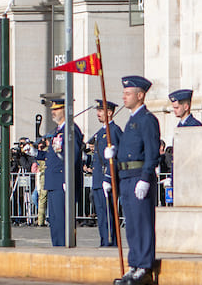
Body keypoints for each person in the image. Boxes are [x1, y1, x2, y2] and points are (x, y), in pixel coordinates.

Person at [113, 75, 161, 285]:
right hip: (126, 177)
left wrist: (145, 178)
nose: (124, 96)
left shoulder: (147, 120)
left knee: (142, 223)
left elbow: (152, 152)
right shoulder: (132, 119)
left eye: (128, 93)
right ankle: (134, 264)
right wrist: (114, 153)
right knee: (131, 224)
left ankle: (144, 266)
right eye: (124, 93)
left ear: (140, 96)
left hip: (138, 177)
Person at [41, 98, 83, 247]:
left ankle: (64, 248)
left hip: (62, 181)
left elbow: (73, 155)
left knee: (62, 220)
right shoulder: (58, 131)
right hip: (54, 181)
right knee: (55, 220)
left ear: (65, 111)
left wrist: (68, 178)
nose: (53, 112)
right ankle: (57, 248)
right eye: (52, 109)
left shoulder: (71, 130)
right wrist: (35, 152)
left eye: (57, 109)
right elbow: (54, 155)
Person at [90, 100, 123, 247]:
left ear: (109, 113)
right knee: (101, 215)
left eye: (101, 110)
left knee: (108, 214)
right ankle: (104, 240)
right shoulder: (101, 132)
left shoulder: (114, 131)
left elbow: (114, 157)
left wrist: (109, 178)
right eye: (98, 110)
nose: (98, 113)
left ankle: (110, 242)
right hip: (98, 179)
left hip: (106, 179)